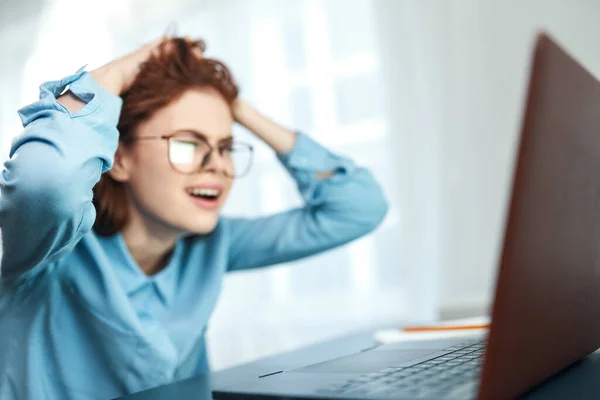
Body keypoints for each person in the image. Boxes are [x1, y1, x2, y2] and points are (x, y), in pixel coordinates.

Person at [0, 36, 388, 400]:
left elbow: (358, 207)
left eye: (226, 147)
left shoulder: (216, 245)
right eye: (189, 144)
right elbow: (45, 180)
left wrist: (235, 108)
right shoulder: (49, 248)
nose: (218, 165)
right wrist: (118, 72)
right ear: (119, 158)